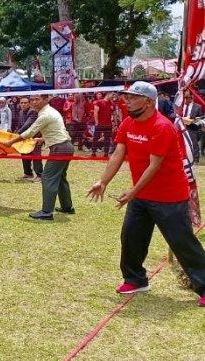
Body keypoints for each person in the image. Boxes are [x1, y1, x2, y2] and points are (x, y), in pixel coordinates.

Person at [87, 81, 205, 307]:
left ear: (149, 102)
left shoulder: (162, 127)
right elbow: (118, 154)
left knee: (183, 243)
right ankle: (135, 279)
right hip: (141, 196)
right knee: (131, 237)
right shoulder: (128, 123)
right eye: (126, 96)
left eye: (132, 97)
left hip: (169, 196)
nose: (127, 100)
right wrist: (102, 182)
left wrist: (132, 191)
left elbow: (154, 166)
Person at [3, 94, 74, 220]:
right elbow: (58, 130)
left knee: (47, 177)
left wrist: (11, 142)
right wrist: (43, 139)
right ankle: (67, 207)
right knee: (61, 177)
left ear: (46, 100)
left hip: (60, 149)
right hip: (66, 146)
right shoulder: (51, 111)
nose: (34, 102)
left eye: (37, 99)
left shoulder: (45, 115)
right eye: (32, 100)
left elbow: (30, 131)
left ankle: (47, 212)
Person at [15, 97, 43, 181]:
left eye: (25, 103)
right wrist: (15, 132)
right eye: (22, 103)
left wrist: (18, 134)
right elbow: (20, 125)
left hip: (35, 138)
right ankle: (28, 173)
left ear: (29, 104)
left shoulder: (33, 112)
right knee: (24, 154)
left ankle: (40, 175)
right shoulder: (20, 112)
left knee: (36, 156)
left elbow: (27, 124)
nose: (23, 104)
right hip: (25, 137)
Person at [182, 90, 203, 163]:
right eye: (184, 98)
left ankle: (196, 159)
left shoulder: (198, 106)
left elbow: (200, 118)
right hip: (183, 126)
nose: (185, 100)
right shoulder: (182, 106)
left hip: (193, 128)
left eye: (187, 98)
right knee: (184, 143)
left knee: (194, 143)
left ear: (191, 98)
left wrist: (192, 120)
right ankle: (186, 158)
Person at [92, 92, 115, 157]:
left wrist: (114, 123)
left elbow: (114, 114)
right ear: (108, 94)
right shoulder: (99, 102)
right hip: (100, 124)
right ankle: (93, 152)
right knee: (95, 138)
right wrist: (97, 122)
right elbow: (95, 112)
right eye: (112, 94)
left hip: (108, 124)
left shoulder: (112, 104)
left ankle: (106, 153)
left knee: (107, 139)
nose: (113, 96)